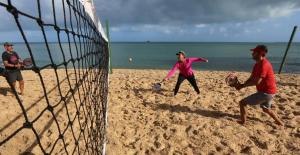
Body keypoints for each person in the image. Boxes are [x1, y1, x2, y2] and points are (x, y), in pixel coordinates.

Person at [235, 45, 283, 126]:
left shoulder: (264, 65)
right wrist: (241, 85)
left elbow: (257, 82)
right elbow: (251, 78)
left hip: (266, 93)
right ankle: (280, 123)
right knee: (266, 109)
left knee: (242, 103)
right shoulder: (257, 64)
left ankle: (243, 122)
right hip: (270, 91)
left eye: (254, 52)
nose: (252, 54)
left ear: (260, 54)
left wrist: (242, 86)